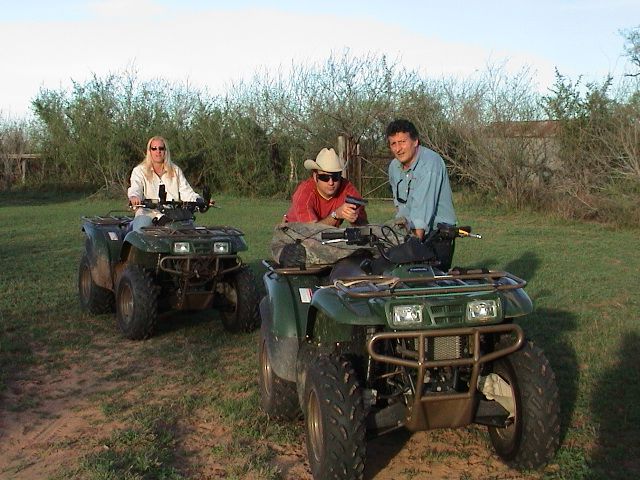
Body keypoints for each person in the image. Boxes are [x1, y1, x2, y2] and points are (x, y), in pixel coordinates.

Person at [386, 119, 457, 270]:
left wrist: (410, 250)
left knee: (426, 283)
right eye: (393, 144)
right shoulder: (393, 167)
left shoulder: (430, 164)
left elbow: (422, 210)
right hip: (407, 231)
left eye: (402, 142)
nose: (398, 149)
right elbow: (400, 206)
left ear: (415, 141)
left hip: (436, 235)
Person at [127, 136, 203, 231]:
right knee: (140, 232)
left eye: (161, 148)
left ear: (165, 151)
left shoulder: (175, 171)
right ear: (149, 151)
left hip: (173, 214)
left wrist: (199, 200)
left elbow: (186, 191)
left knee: (192, 231)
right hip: (148, 213)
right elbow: (135, 187)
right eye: (154, 148)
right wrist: (134, 197)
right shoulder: (139, 171)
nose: (158, 151)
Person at [284, 147, 368, 226]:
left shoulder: (347, 189)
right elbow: (311, 231)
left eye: (335, 177)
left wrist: (354, 218)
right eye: (325, 177)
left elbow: (364, 225)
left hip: (327, 236)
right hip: (293, 233)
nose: (331, 182)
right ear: (315, 176)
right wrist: (336, 215)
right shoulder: (304, 193)